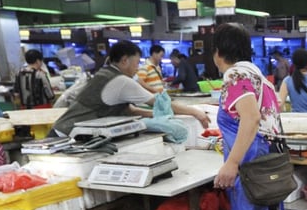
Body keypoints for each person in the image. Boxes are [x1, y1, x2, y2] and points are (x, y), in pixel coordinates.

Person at [212, 22, 288, 210]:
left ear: (218, 51)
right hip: (269, 166)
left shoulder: (234, 74)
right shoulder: (259, 77)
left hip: (250, 168)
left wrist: (231, 163)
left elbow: (252, 118)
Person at [52, 40, 208, 137]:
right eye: (136, 62)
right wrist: (195, 112)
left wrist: (161, 115)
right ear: (125, 60)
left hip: (67, 131)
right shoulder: (121, 81)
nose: (137, 67)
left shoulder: (106, 73)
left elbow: (130, 110)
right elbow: (159, 103)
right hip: (65, 135)